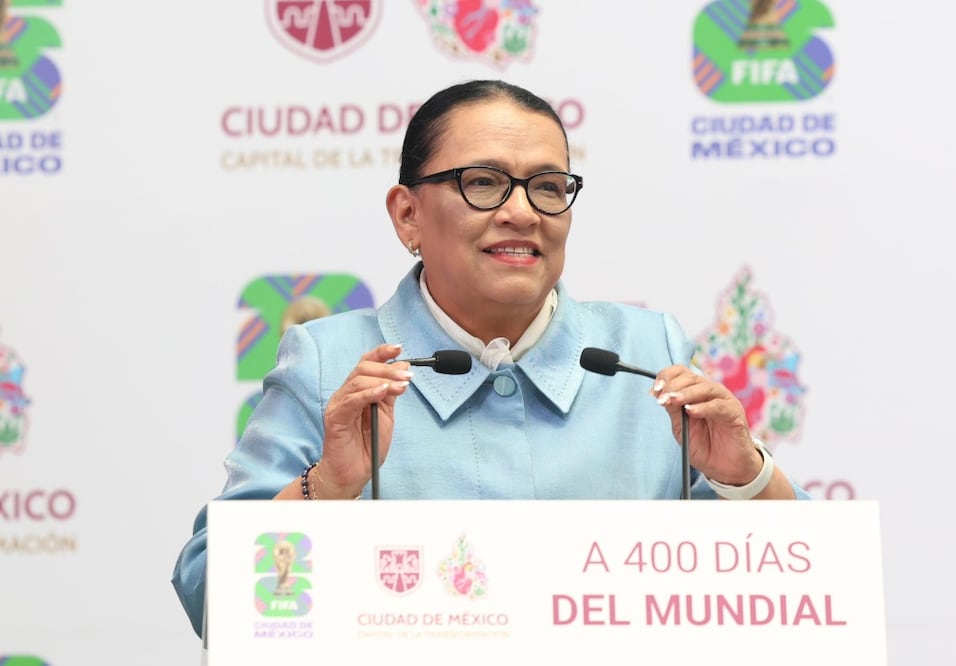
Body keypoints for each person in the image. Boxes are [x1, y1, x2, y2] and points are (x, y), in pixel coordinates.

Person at [172, 79, 810, 637]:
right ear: (408, 215)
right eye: (482, 183)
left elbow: (807, 585)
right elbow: (212, 596)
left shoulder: (647, 355)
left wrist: (744, 476)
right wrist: (332, 487)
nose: (521, 212)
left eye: (548, 187)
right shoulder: (331, 361)